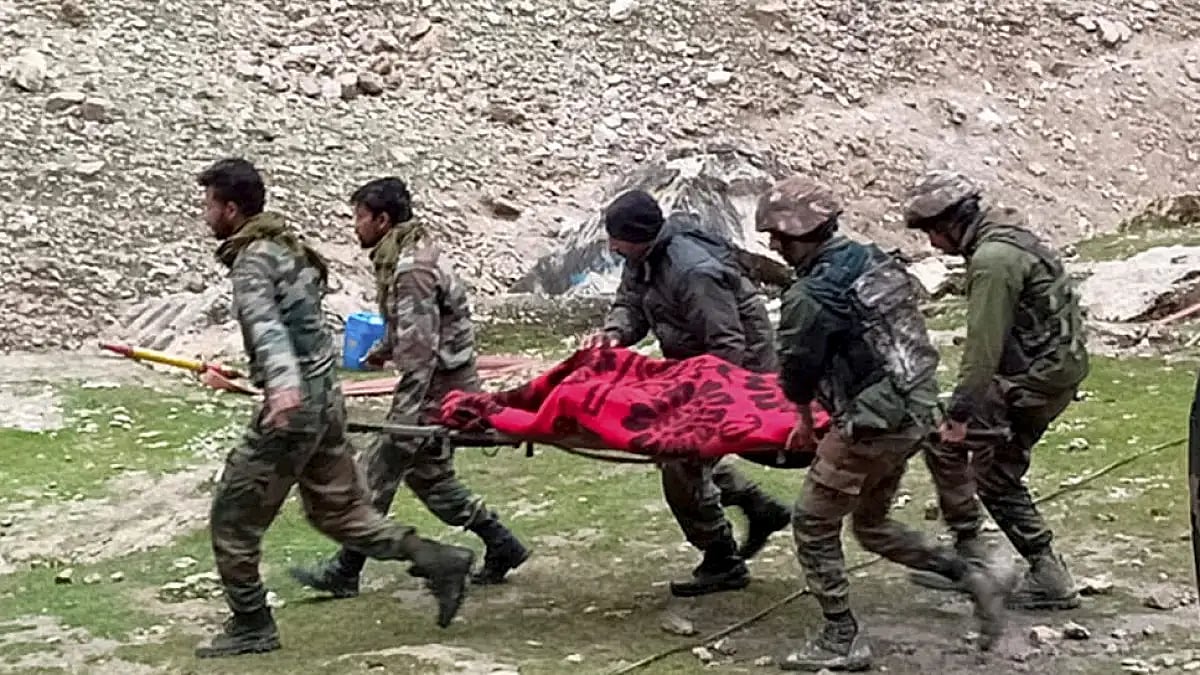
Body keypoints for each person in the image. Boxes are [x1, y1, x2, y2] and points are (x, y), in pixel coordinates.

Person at [193, 159, 474, 658]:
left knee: (232, 517)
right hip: (326, 400)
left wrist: (280, 385)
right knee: (341, 513)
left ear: (231, 208)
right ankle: (438, 559)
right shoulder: (287, 247)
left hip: (295, 407)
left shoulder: (254, 260)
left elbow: (267, 326)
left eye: (210, 204)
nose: (205, 213)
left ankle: (252, 622)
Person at [758, 176, 1010, 671]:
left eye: (778, 237)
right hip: (915, 411)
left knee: (812, 521)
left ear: (800, 235)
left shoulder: (810, 294)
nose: (773, 247)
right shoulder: (871, 260)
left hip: (869, 425)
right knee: (870, 526)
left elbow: (798, 367)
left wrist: (805, 419)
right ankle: (967, 575)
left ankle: (840, 637)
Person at [290, 177, 529, 596]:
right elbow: (413, 328)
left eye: (360, 218)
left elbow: (420, 353)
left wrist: (403, 420)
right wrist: (384, 349)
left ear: (383, 220)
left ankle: (346, 570)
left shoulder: (412, 269)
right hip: (443, 383)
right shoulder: (406, 256)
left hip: (439, 391)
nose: (355, 227)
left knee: (375, 472)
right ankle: (501, 543)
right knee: (431, 481)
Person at [580, 189, 792, 597]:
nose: (612, 247)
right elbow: (631, 303)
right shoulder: (644, 259)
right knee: (679, 453)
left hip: (738, 373)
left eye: (617, 239)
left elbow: (728, 341)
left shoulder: (692, 272)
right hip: (696, 368)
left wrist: (708, 402)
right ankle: (757, 507)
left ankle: (722, 559)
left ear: (639, 235)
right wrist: (613, 334)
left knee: (679, 459)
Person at [902, 170, 1088, 611]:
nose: (931, 244)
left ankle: (1034, 573)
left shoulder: (992, 262)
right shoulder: (1012, 237)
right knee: (982, 466)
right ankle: (983, 560)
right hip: (1052, 373)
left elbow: (982, 349)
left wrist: (960, 414)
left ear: (950, 224)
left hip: (1028, 382)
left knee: (975, 465)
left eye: (931, 232)